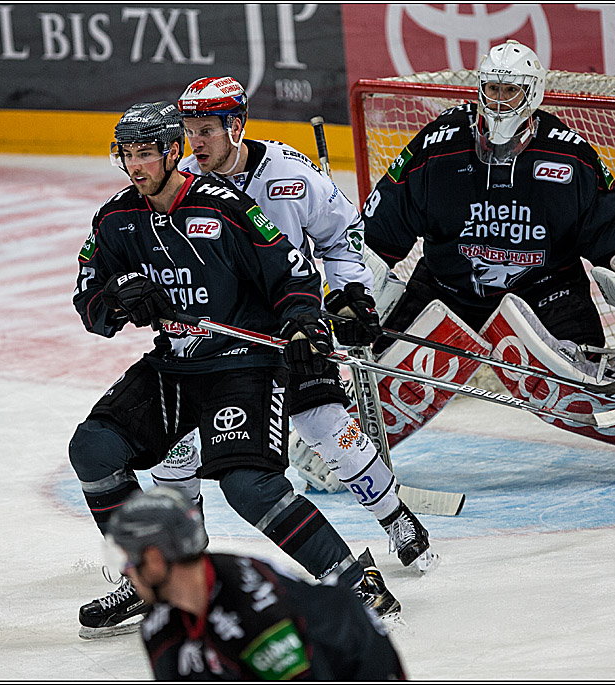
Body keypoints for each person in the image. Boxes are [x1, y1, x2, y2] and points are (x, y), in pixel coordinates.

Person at [70, 101, 400, 639]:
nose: (135, 166)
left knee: (248, 485)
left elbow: (291, 271)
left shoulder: (225, 207)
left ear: (171, 153)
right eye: (126, 155)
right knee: (92, 448)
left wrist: (304, 324)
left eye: (146, 153)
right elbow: (89, 303)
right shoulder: (115, 219)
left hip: (244, 364)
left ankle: (353, 581)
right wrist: (118, 296)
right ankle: (153, 575)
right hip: (175, 364)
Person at [361, 40, 615, 481]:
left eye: (511, 90)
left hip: (547, 292)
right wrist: (354, 289)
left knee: (572, 379)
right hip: (447, 289)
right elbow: (380, 230)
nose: (499, 101)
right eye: (492, 89)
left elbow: (608, 230)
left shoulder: (568, 154)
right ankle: (339, 440)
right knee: (382, 370)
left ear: (534, 93)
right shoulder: (437, 146)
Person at [147, 75, 433, 573]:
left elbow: (343, 234)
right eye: (189, 131)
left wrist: (350, 295)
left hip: (291, 324)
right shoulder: (182, 182)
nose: (196, 143)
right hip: (219, 340)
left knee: (326, 424)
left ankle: (396, 518)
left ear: (237, 125)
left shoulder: (289, 174)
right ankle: (181, 557)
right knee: (176, 446)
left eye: (207, 130)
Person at [107, 487, 407, 680]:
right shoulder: (159, 625)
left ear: (155, 559)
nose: (125, 571)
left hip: (357, 662)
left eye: (128, 559)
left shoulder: (259, 615)